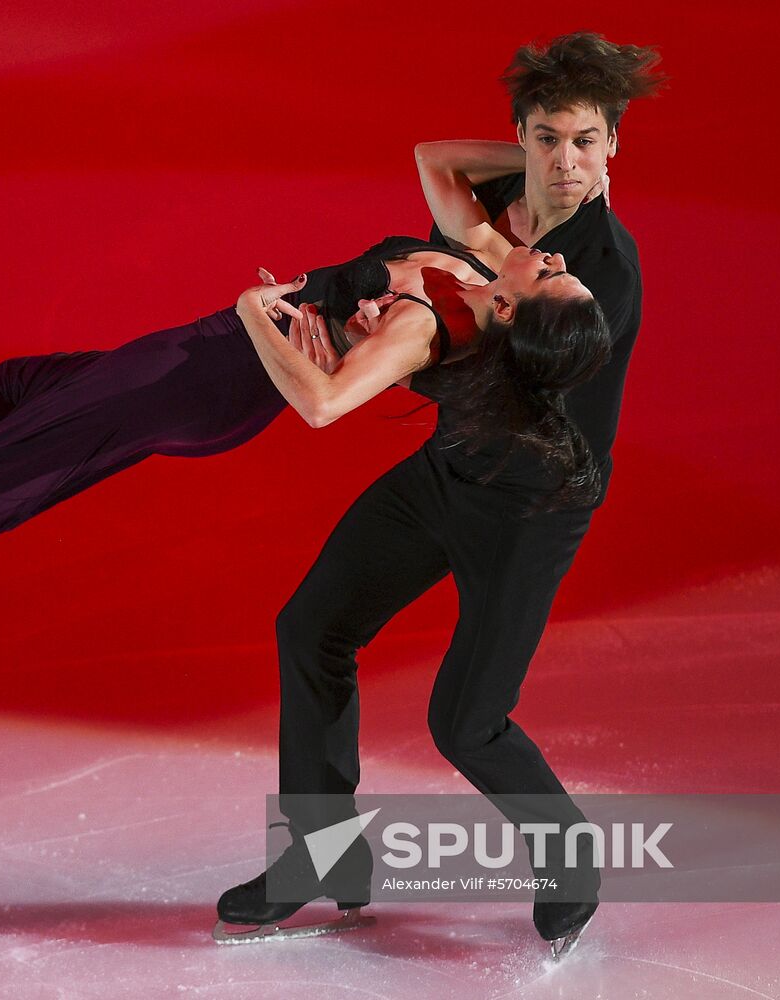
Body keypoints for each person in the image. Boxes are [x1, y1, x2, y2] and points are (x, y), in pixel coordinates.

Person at [0, 205, 606, 678]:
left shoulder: (424, 322)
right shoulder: (470, 265)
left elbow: (325, 405)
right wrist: (573, 164)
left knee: (28, 463)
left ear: (516, 306)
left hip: (210, 374)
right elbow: (440, 158)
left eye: (558, 277)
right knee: (17, 389)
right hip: (201, 365)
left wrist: (257, 316)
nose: (560, 255)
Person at [216, 32, 663, 960]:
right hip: (452, 471)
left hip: (531, 506)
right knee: (312, 630)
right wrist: (541, 164)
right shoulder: (515, 202)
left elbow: (510, 386)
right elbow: (433, 160)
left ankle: (570, 854)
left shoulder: (601, 273)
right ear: (522, 135)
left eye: (588, 142)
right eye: (548, 139)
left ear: (617, 146)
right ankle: (321, 859)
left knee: (465, 721)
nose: (566, 163)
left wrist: (378, 350)